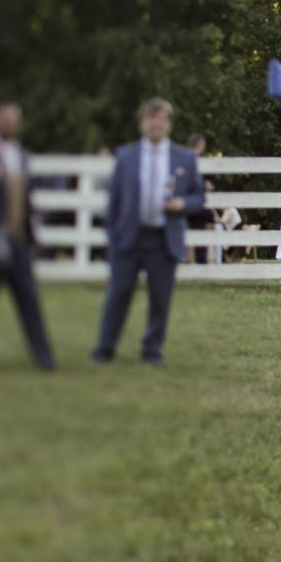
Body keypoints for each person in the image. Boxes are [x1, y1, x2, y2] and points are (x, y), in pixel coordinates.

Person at [92, 99, 205, 366]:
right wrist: (113, 236)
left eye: (161, 119)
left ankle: (152, 349)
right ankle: (105, 349)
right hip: (129, 237)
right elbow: (114, 202)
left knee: (160, 297)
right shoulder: (126, 156)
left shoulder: (185, 158)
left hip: (163, 237)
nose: (155, 124)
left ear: (169, 124)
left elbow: (199, 196)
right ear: (142, 123)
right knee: (118, 294)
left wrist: (183, 204)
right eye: (150, 118)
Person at [0, 102, 57, 370]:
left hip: (19, 238)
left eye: (15, 118)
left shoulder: (22, 154)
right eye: (6, 118)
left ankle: (44, 358)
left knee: (29, 299)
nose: (11, 123)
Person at [184, 132, 219, 265]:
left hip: (185, 203)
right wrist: (206, 187)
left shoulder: (184, 158)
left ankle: (187, 258)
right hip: (195, 204)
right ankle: (201, 260)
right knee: (201, 228)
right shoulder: (198, 161)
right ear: (200, 145)